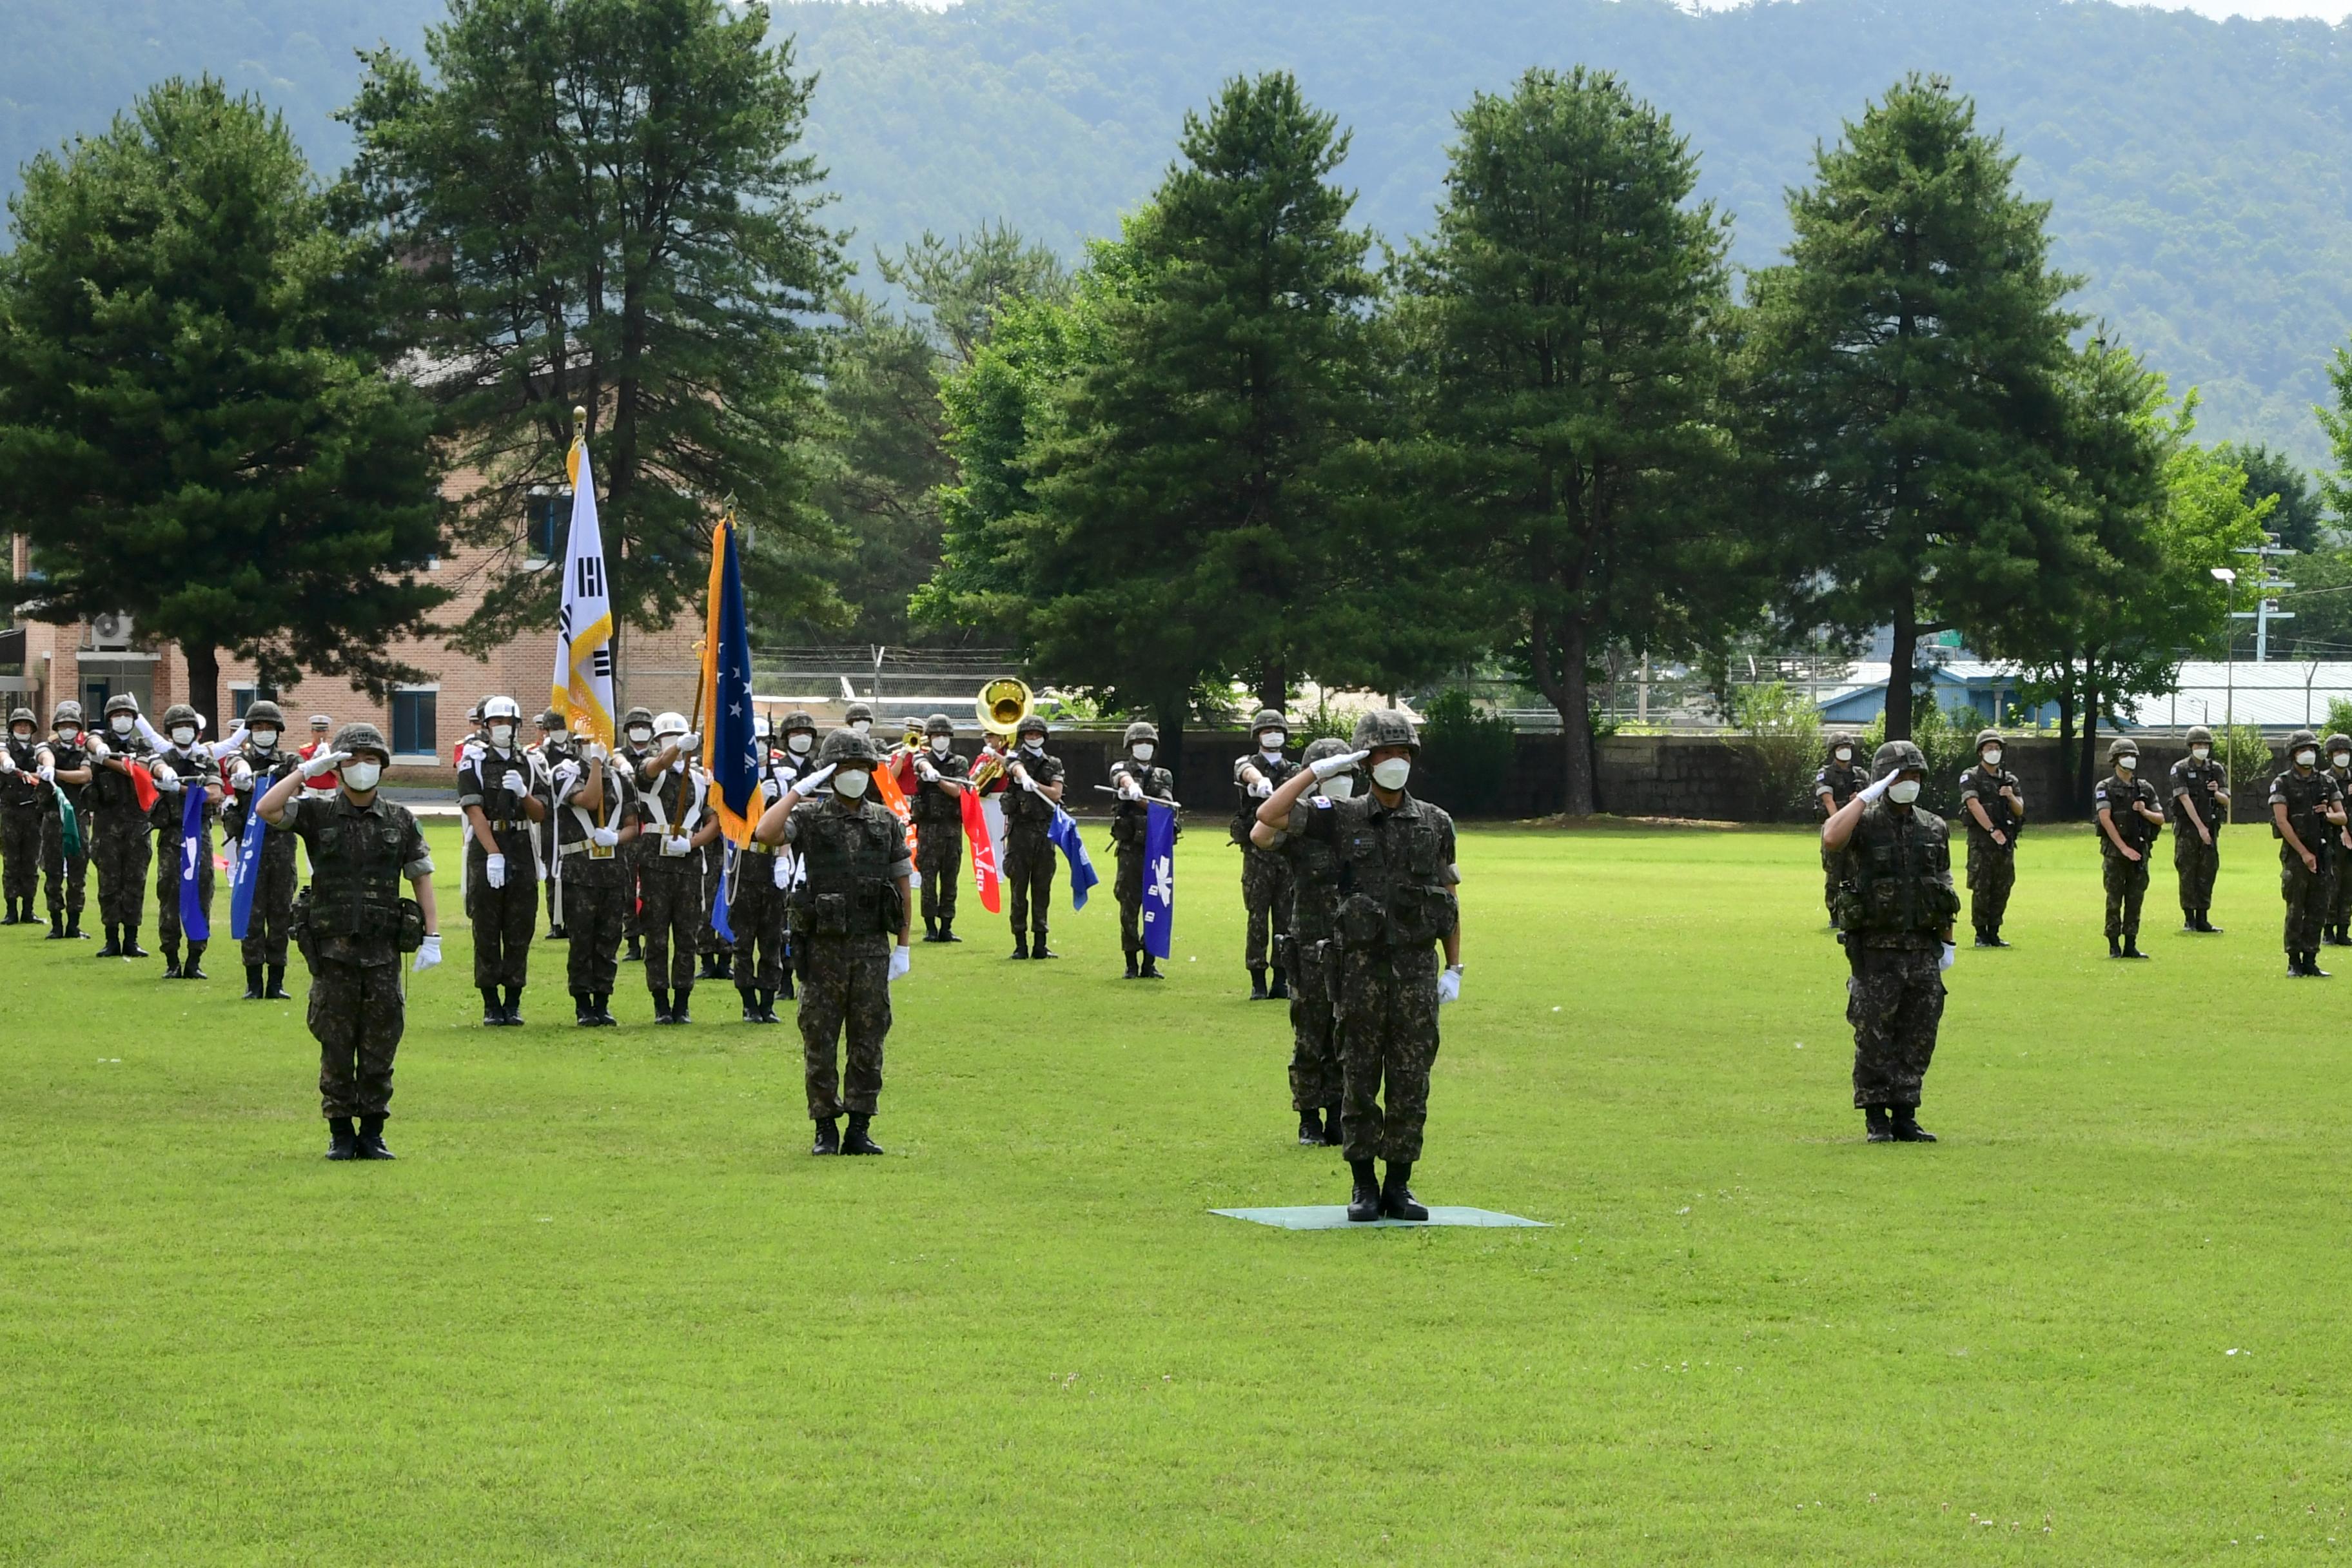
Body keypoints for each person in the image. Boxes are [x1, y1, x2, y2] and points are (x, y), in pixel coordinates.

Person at [1255, 712, 1463, 1221]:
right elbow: (1271, 815)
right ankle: (1364, 1185)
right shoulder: (1340, 816)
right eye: (1386, 754)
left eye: (1405, 754)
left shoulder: (1435, 822)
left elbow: (1450, 900)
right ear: (1366, 761)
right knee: (1360, 1080)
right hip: (1361, 973)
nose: (1397, 763)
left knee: (1411, 1083)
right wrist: (1313, 773)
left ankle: (1400, 1184)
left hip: (1415, 972)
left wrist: (1455, 967)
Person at [258, 723, 440, 1160]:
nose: (363, 768)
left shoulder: (400, 820)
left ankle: (374, 1132)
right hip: (332, 952)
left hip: (381, 953)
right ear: (337, 770)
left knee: (380, 1045)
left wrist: (432, 936)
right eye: (352, 760)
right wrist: (305, 772)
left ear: (383, 767)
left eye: (371, 760)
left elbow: (421, 879)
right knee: (336, 1045)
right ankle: (340, 1133)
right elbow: (266, 809)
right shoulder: (318, 813)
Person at [754, 728, 912, 1155]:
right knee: (819, 1038)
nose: (856, 775)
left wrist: (904, 945)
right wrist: (794, 792)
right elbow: (765, 833)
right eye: (846, 767)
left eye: (863, 768)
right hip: (822, 947)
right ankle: (825, 1127)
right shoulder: (809, 817)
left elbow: (902, 885)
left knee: (869, 1037)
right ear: (830, 772)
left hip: (871, 947)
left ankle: (860, 1127)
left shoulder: (886, 821)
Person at [1821, 740, 1957, 1144]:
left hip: (1921, 949)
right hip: (1875, 950)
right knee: (1874, 1035)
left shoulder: (1934, 826)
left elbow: (1943, 885)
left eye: (1915, 776)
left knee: (1918, 1034)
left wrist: (1948, 944)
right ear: (1884, 779)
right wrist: (1864, 798)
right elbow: (1831, 837)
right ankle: (1876, 1117)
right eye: (1901, 776)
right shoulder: (1862, 821)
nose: (1910, 783)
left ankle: (1905, 1114)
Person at [1250, 736, 1358, 1146]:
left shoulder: (1360, 819)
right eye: (1333, 773)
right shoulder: (1302, 823)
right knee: (1311, 1035)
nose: (1341, 781)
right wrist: (1306, 786)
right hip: (1312, 947)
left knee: (1348, 1036)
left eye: (1346, 773)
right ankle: (1309, 1116)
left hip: (1356, 945)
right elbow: (1261, 832)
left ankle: (1340, 1115)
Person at [457, 696, 547, 1025]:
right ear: (485, 725)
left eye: (507, 723)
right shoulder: (475, 759)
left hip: (522, 846)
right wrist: (493, 853)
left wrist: (524, 792)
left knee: (520, 927)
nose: (502, 729)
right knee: (487, 926)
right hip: (487, 846)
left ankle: (513, 1001)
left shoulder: (532, 762)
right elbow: (474, 810)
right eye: (495, 723)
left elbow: (541, 813)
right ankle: (490, 1002)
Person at [549, 727, 639, 1026]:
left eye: (598, 742)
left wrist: (615, 837)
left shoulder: (622, 779)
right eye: (588, 742)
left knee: (608, 940)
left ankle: (603, 1000)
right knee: (582, 940)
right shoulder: (565, 772)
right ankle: (582, 1004)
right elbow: (588, 800)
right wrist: (598, 764)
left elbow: (632, 825)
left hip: (613, 872)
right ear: (577, 744)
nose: (593, 747)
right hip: (580, 872)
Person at [636, 709, 719, 1023]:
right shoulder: (648, 769)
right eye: (667, 739)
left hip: (687, 861)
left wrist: (693, 843)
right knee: (656, 936)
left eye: (679, 738)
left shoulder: (700, 781)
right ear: (658, 742)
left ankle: (682, 1002)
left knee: (687, 935)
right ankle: (660, 1002)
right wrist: (676, 749)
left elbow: (714, 821)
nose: (672, 744)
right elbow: (655, 767)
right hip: (656, 864)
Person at [224, 700, 300, 999]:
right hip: (251, 851)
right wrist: (243, 771)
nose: (263, 733)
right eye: (257, 728)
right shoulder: (238, 759)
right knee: (252, 917)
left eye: (269, 728)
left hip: (281, 847)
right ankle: (253, 981)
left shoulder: (289, 762)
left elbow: (296, 785)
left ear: (278, 731)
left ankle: (277, 981)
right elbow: (234, 764)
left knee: (281, 916)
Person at [729, 726, 798, 1023]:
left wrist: (784, 860)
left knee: (772, 939)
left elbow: (789, 825)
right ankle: (748, 1003)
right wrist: (756, 797)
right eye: (754, 742)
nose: (759, 748)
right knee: (744, 942)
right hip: (746, 866)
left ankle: (768, 1001)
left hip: (772, 869)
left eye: (763, 742)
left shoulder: (781, 780)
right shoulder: (735, 782)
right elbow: (735, 825)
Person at [147, 703, 220, 980]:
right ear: (169, 732)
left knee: (202, 893)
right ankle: (171, 959)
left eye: (188, 727)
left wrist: (179, 788)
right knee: (169, 894)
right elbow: (155, 765)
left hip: (199, 835)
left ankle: (195, 958)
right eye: (178, 727)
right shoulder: (163, 757)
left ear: (197, 733)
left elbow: (214, 795)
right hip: (171, 835)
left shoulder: (206, 761)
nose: (183, 732)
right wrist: (164, 773)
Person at [1232, 708, 1299, 998]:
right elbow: (1245, 770)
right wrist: (1258, 782)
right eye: (1267, 730)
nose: (1273, 734)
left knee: (1285, 919)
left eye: (1278, 730)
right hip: (1257, 855)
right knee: (1257, 917)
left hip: (1286, 853)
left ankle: (1281, 980)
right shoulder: (1247, 763)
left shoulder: (1294, 769)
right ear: (1257, 735)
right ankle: (1257, 979)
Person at [2270, 729, 2347, 977]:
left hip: (2324, 853)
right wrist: (2303, 853)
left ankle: (2311, 959)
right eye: (2304, 750)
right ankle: (2294, 960)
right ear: (2293, 754)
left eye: (2312, 750)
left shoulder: (2327, 782)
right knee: (2296, 908)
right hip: (2296, 855)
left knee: (2319, 907)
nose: (2309, 754)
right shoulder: (2283, 782)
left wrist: (2327, 815)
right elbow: (2282, 822)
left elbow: (2342, 816)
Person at [84, 694, 156, 957]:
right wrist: (101, 751)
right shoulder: (100, 742)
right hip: (107, 828)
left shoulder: (143, 746)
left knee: (135, 882)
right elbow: (90, 739)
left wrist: (109, 761)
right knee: (109, 884)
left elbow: (143, 770)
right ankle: (111, 938)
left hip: (138, 826)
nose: (123, 720)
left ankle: (132, 939)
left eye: (127, 715)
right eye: (117, 715)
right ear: (109, 719)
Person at [990, 712, 1065, 959]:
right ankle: (1020, 943)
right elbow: (1015, 767)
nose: (1033, 738)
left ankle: (1040, 944)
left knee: (1042, 889)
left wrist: (1036, 785)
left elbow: (1055, 794)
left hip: (1044, 832)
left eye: (1037, 734)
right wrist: (1023, 778)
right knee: (1019, 889)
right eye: (1029, 735)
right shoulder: (1014, 756)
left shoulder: (1053, 763)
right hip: (1020, 832)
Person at [1107, 721, 1178, 979]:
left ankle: (1150, 961)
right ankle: (1130, 961)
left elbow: (1166, 804)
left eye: (1148, 743)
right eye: (1139, 743)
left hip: (1157, 848)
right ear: (1130, 746)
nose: (1144, 747)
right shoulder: (1121, 767)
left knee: (1156, 901)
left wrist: (1139, 799)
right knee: (1129, 903)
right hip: (1129, 849)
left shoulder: (1163, 774)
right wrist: (1129, 786)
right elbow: (1120, 777)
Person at [2094, 737, 2164, 960]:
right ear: (2115, 760)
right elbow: (2105, 818)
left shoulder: (2145, 788)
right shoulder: (2105, 787)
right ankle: (2114, 944)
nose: (2130, 760)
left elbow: (2161, 818)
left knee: (2136, 899)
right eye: (2126, 756)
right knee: (2114, 898)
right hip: (2116, 853)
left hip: (2140, 851)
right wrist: (2123, 848)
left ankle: (2131, 943)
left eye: (2133, 756)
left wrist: (2144, 812)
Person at [1955, 729, 2023, 948]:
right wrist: (1993, 830)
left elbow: (2020, 810)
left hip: (2005, 844)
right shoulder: (1971, 776)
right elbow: (1973, 805)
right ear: (1980, 752)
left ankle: (1995, 931)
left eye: (1997, 748)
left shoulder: (2010, 779)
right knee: (1982, 887)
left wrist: (2010, 795)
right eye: (1989, 748)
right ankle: (1980, 933)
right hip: (1982, 843)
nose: (1994, 752)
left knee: (2002, 886)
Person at [908, 713, 969, 943]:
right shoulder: (922, 759)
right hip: (929, 829)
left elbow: (958, 791)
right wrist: (928, 769)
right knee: (928, 880)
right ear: (929, 738)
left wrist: (938, 781)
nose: (941, 739)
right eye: (936, 736)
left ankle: (946, 925)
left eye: (944, 735)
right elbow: (919, 762)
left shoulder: (959, 762)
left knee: (950, 879)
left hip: (952, 829)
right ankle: (930, 926)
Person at [38, 701, 93, 940]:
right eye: (63, 725)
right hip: (52, 819)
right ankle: (57, 923)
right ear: (57, 727)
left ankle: (74, 923)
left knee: (78, 872)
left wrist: (57, 774)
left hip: (77, 819)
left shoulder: (84, 753)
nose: (68, 729)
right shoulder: (47, 746)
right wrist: (49, 767)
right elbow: (45, 755)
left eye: (72, 725)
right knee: (52, 872)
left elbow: (85, 775)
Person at [2168, 724, 2230, 934]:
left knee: (2208, 871)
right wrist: (2200, 827)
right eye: (2198, 744)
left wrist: (2216, 792)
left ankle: (2203, 918)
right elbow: (2184, 799)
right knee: (2187, 871)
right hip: (2188, 829)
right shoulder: (2181, 769)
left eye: (2205, 744)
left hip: (2211, 828)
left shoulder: (2216, 769)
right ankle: (2189, 919)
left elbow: (2226, 799)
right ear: (2191, 746)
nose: (2202, 748)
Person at [616, 705, 658, 963]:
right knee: (627, 886)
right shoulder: (619, 756)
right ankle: (632, 941)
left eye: (643, 727)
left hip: (654, 828)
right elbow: (615, 758)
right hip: (628, 828)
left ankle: (653, 938)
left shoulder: (659, 755)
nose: (639, 731)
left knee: (654, 888)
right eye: (634, 727)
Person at [1813, 731, 1868, 928]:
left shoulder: (1861, 775)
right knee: (1834, 874)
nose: (1845, 751)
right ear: (1833, 751)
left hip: (1857, 830)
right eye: (1840, 747)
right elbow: (1828, 801)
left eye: (1847, 747)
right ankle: (1834, 915)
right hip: (1834, 829)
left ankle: (1855, 914)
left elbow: (1871, 800)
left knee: (1856, 874)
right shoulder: (1825, 774)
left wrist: (1860, 801)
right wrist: (1840, 823)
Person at [0, 707, 45, 925]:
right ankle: (11, 910)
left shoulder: (38, 751)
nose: (24, 727)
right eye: (19, 724)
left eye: (27, 724)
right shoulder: (6, 750)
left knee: (30, 862)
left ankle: (28, 908)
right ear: (12, 727)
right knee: (11, 863)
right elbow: (3, 756)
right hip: (10, 812)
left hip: (33, 813)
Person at [2327, 734, 2352, 947]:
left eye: (2345, 752)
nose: (2342, 756)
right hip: (2333, 840)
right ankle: (2328, 930)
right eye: (2338, 753)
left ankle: (2344, 930)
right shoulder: (2325, 780)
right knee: (2332, 885)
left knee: (2348, 887)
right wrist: (2343, 829)